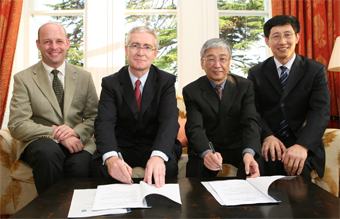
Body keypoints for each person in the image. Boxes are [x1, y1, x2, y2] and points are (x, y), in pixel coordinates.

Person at [8, 23, 98, 194]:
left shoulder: (84, 77)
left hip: (77, 141)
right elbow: (17, 124)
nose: (54, 47)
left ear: (68, 43)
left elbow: (94, 117)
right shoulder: (24, 79)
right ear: (38, 44)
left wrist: (75, 133)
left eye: (59, 41)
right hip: (40, 143)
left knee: (80, 165)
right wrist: (58, 134)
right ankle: (50, 212)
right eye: (47, 42)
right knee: (48, 152)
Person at [91, 26, 182, 188]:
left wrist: (158, 156)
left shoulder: (166, 81)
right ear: (127, 50)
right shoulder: (110, 83)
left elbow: (169, 122)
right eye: (135, 46)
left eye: (147, 47)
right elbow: (104, 122)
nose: (141, 52)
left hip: (154, 144)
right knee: (102, 166)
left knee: (167, 167)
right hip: (122, 145)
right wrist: (112, 158)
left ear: (155, 53)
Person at [247, 15, 330, 180]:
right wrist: (267, 136)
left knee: (298, 182)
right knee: (256, 175)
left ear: (297, 37)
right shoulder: (256, 73)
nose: (282, 41)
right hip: (268, 142)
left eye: (287, 34)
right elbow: (253, 111)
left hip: (301, 141)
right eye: (275, 36)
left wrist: (303, 145)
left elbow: (320, 112)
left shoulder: (315, 71)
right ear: (267, 41)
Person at [183, 38, 264, 178]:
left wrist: (249, 152)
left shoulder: (245, 86)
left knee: (254, 165)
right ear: (202, 63)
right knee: (197, 169)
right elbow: (195, 127)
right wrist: (206, 152)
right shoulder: (191, 91)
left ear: (229, 62)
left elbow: (250, 122)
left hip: (238, 147)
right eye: (211, 59)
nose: (217, 65)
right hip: (208, 146)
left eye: (222, 59)